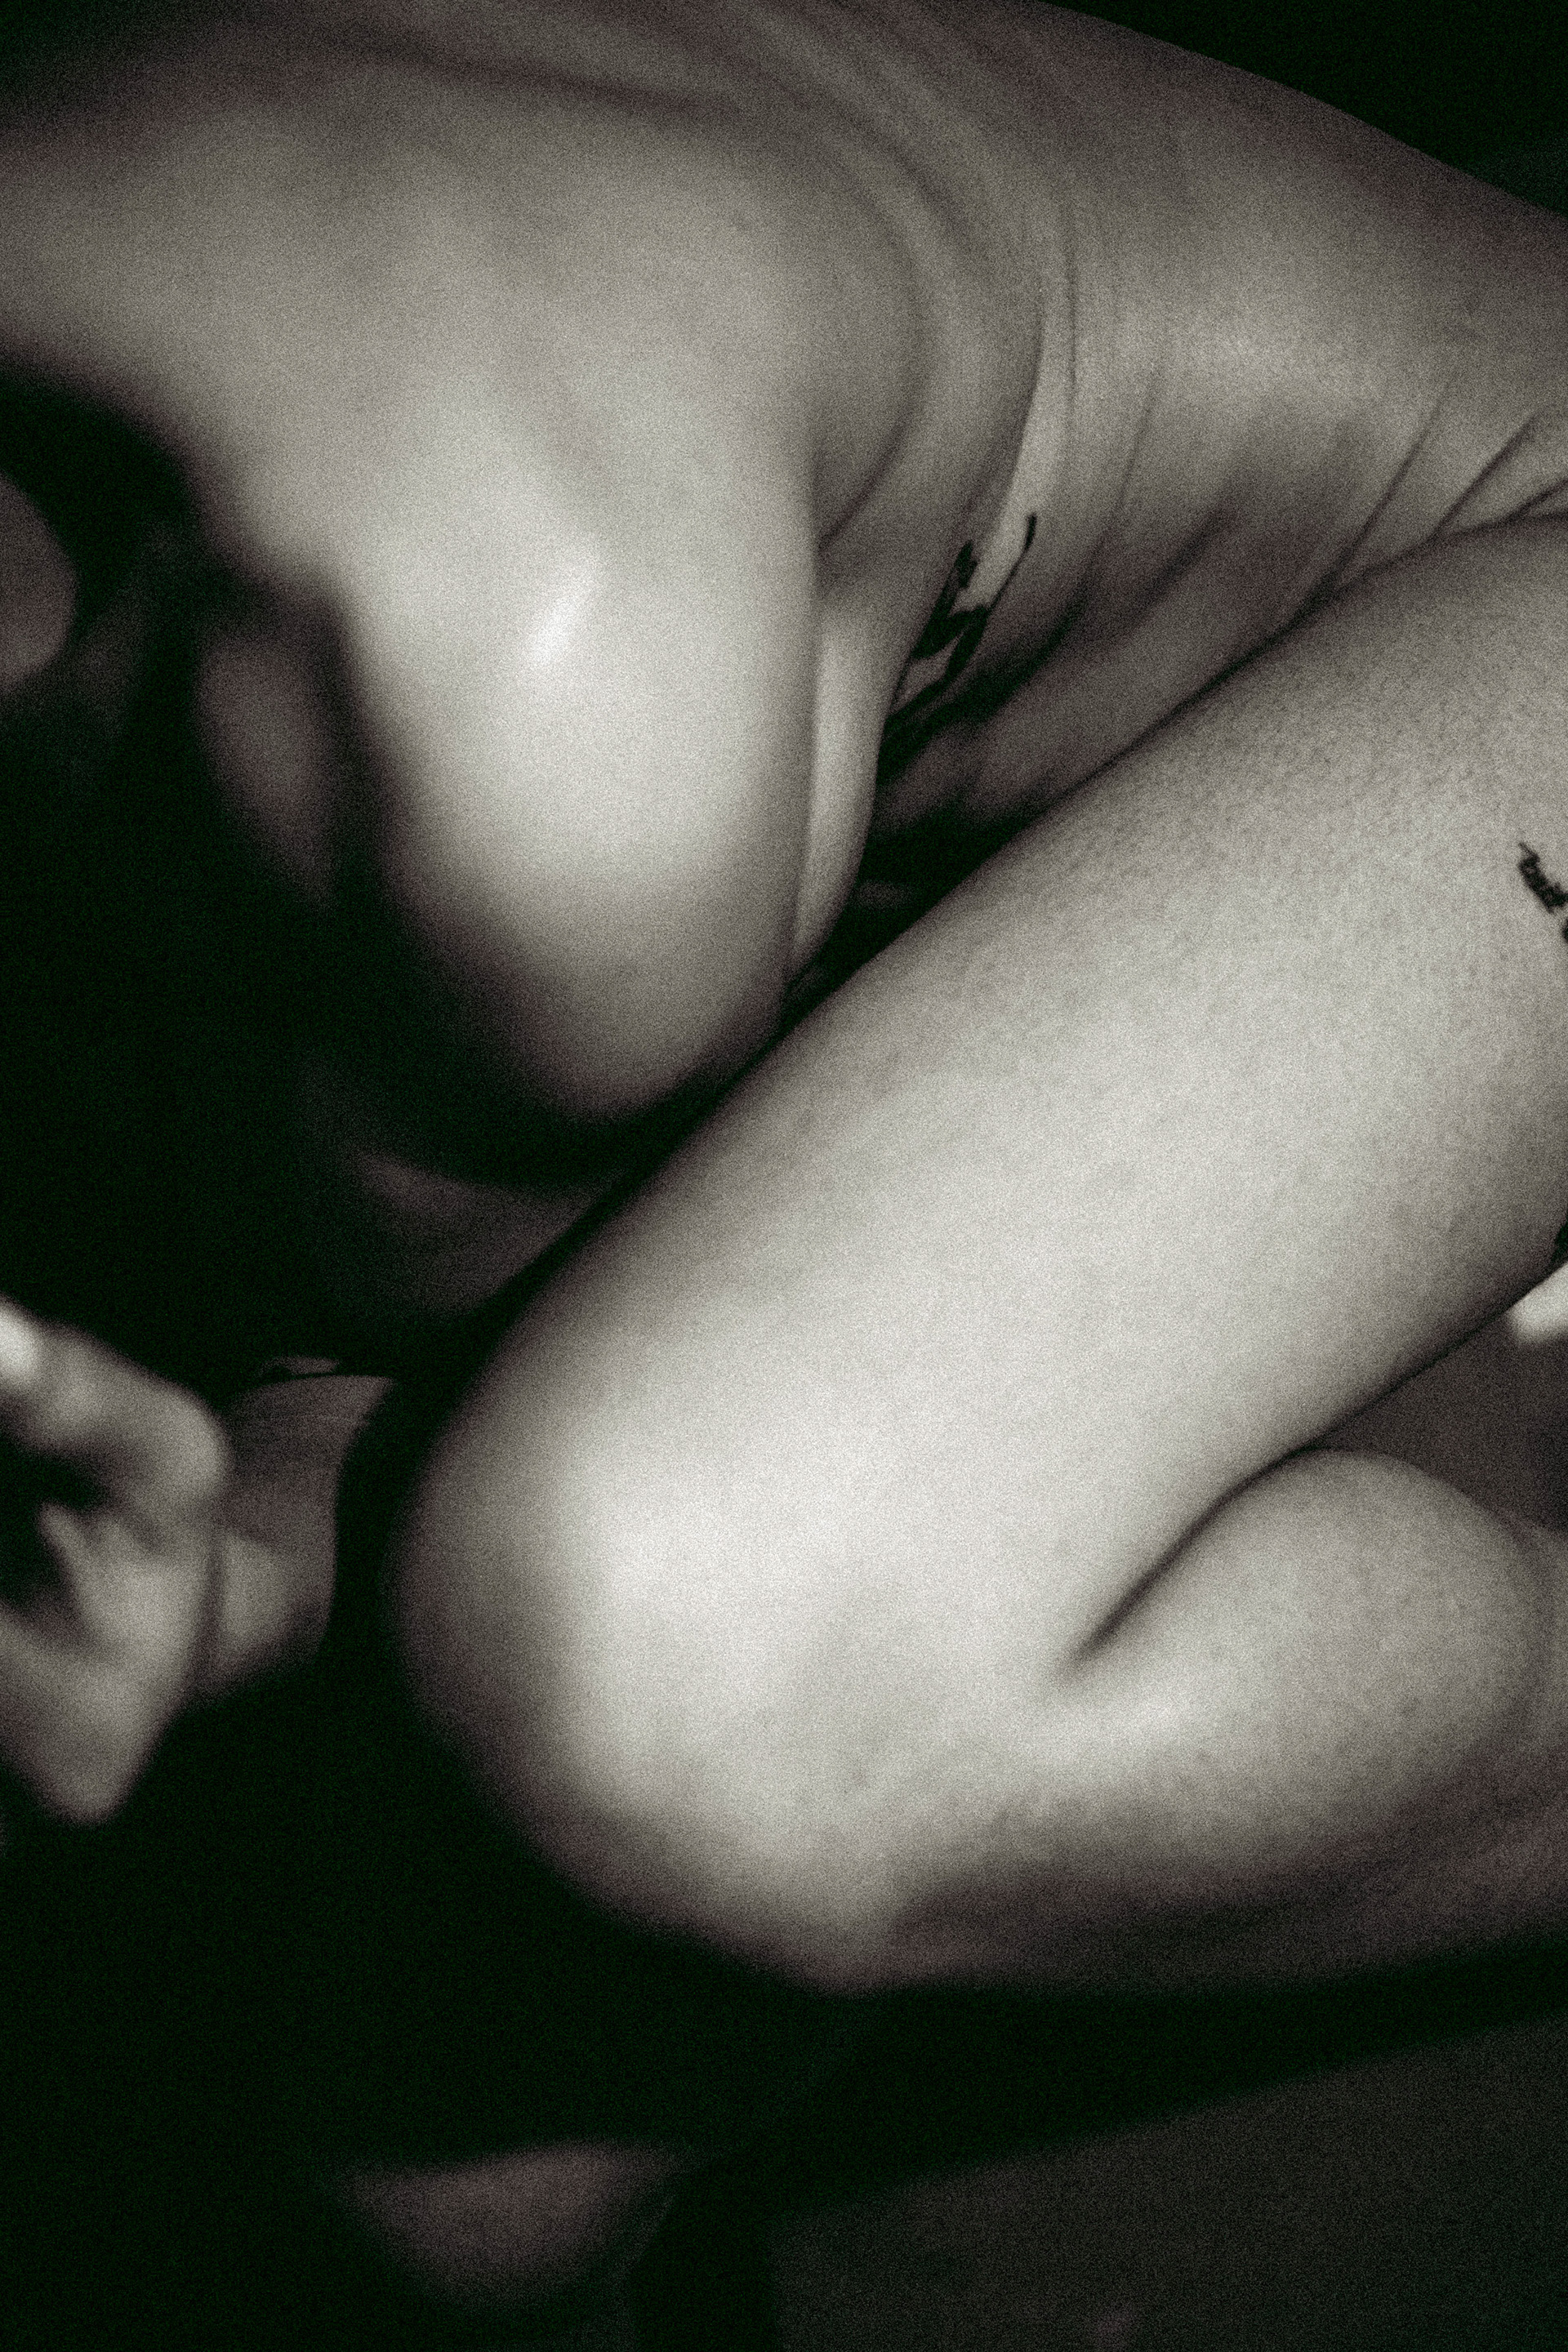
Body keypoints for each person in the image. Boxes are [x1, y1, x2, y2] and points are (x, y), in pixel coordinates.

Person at [2, 0, 1568, 2334]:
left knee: (685, 1664)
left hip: (1519, 564)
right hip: (909, 809)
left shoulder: (504, 680)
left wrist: (261, 1557)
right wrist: (189, 1580)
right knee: (434, 2208)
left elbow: (409, 1437)